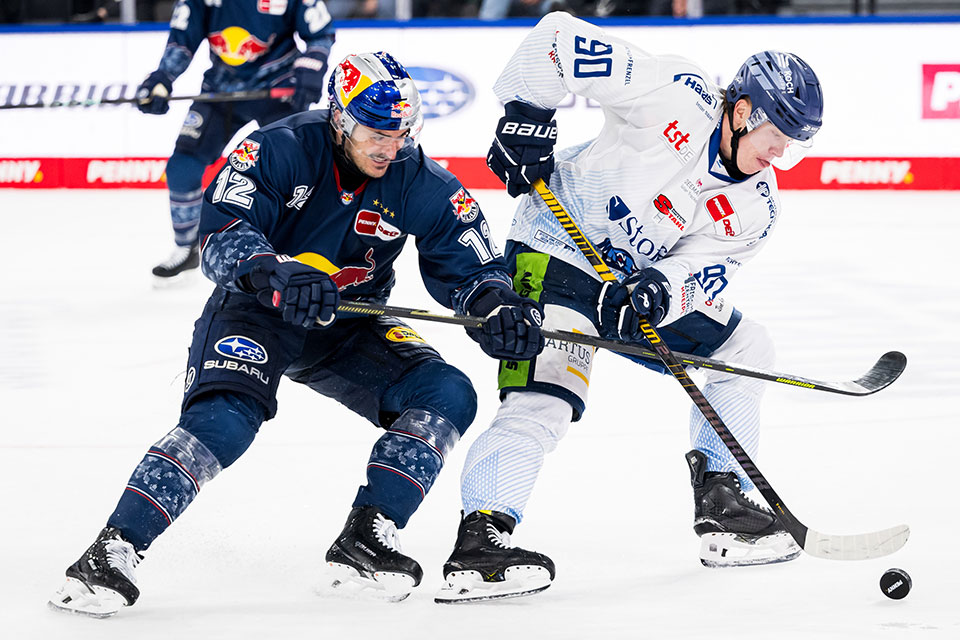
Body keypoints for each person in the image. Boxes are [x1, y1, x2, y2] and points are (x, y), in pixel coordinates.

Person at [48, 51, 545, 617]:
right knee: (224, 421)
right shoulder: (278, 147)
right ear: (338, 119)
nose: (388, 146)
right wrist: (273, 270)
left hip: (349, 324)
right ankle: (110, 551)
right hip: (256, 312)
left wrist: (497, 308)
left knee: (447, 394)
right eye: (372, 132)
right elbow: (220, 236)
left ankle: (368, 536)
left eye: (400, 131)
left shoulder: (421, 179)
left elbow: (470, 267)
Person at [435, 12, 824, 603]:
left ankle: (721, 499)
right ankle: (481, 539)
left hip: (626, 292)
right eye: (780, 134)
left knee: (745, 346)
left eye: (796, 141)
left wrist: (661, 290)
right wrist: (528, 116)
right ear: (744, 111)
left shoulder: (757, 209)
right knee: (547, 398)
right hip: (554, 252)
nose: (783, 151)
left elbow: (702, 271)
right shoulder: (679, 94)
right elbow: (558, 39)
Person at [136, 0, 336, 280]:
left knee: (300, 173)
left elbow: (321, 33)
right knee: (183, 167)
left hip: (279, 91)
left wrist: (310, 68)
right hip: (221, 91)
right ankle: (187, 248)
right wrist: (162, 78)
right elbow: (182, 40)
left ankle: (309, 247)